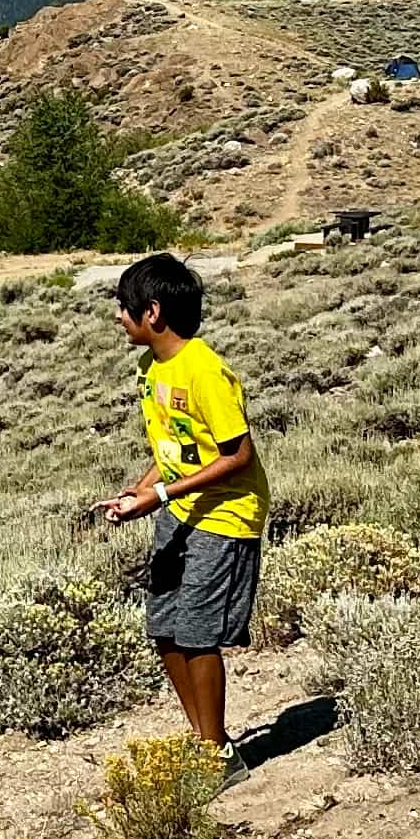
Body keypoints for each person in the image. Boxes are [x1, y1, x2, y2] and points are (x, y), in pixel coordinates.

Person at [91, 252, 270, 768]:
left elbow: (238, 455)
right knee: (165, 627)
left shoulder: (205, 370)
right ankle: (204, 742)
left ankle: (217, 756)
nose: (117, 317)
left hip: (224, 514)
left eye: (123, 307)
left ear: (152, 313)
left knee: (196, 633)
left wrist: (161, 497)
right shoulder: (151, 367)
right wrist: (140, 490)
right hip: (179, 508)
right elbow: (173, 447)